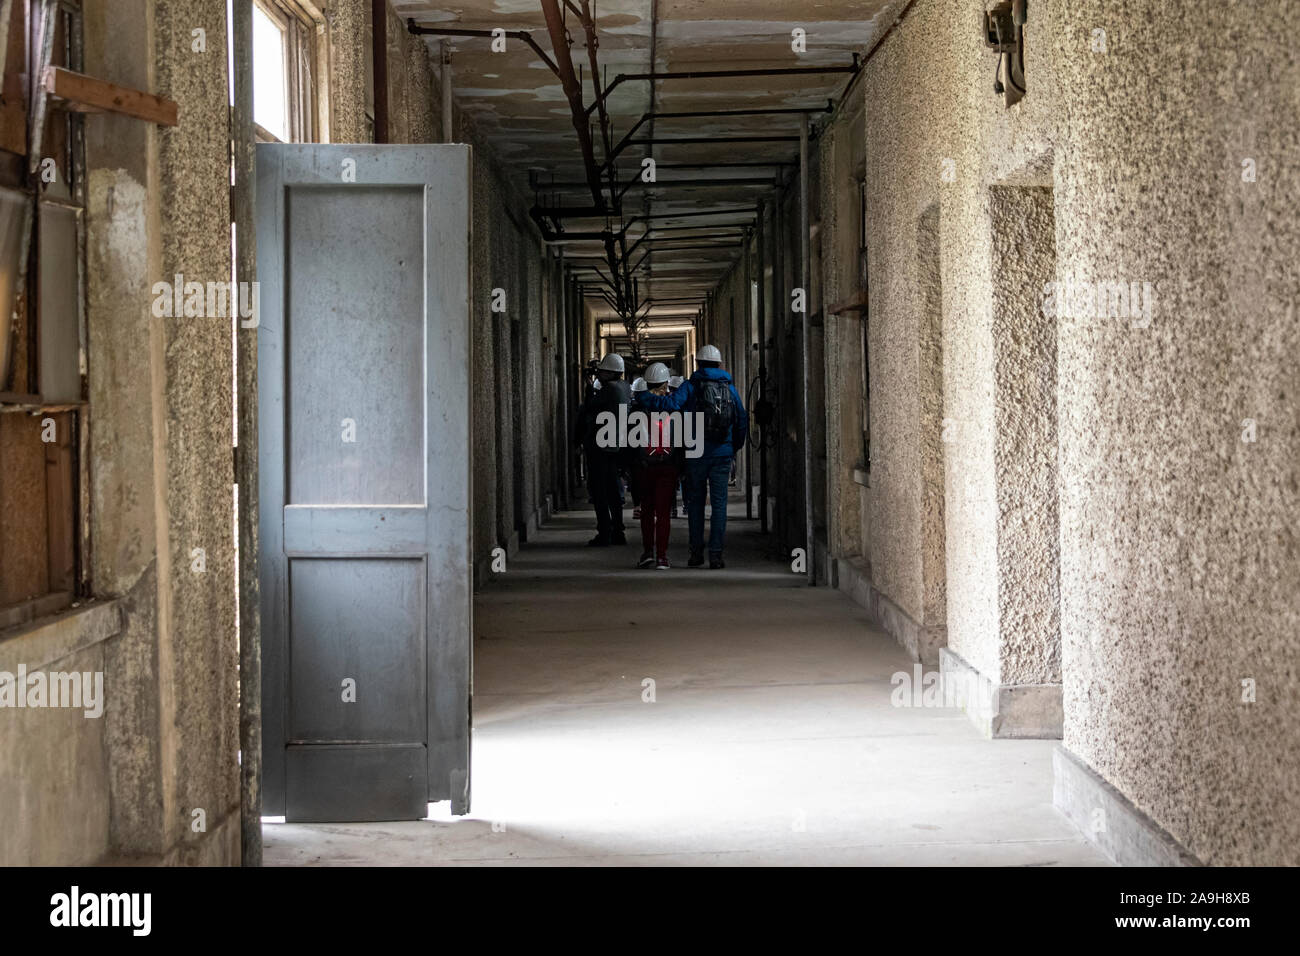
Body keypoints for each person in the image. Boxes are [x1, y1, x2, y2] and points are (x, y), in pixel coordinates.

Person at [636, 344, 747, 569]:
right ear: (719, 364)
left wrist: (643, 398)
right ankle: (716, 555)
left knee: (696, 504)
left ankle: (696, 554)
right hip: (722, 454)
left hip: (696, 454)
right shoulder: (730, 388)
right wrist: (732, 448)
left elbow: (669, 405)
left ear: (698, 364)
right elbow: (741, 419)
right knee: (719, 505)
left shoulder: (691, 386)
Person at [577, 352, 631, 546]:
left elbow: (590, 405)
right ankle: (618, 530)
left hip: (601, 447)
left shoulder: (610, 389)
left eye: (602, 372)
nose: (599, 374)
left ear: (609, 373)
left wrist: (589, 387)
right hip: (617, 446)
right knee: (614, 491)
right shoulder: (625, 387)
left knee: (599, 491)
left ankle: (605, 532)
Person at [634, 363, 679, 570]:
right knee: (662, 513)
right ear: (666, 385)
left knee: (647, 511)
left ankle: (647, 553)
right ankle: (662, 556)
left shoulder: (638, 406)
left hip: (645, 466)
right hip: (667, 466)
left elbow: (631, 440)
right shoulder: (673, 407)